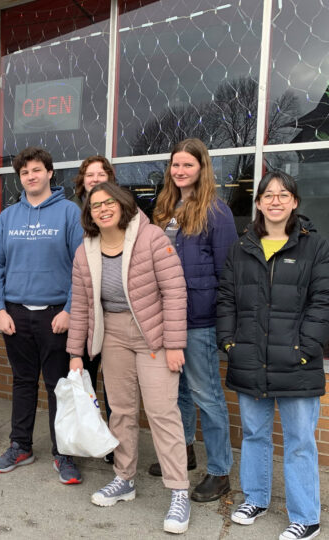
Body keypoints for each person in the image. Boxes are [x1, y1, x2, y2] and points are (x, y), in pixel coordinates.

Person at [67, 181, 190, 534]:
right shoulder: (84, 250)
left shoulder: (151, 238)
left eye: (109, 203)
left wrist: (175, 343)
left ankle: (178, 491)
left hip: (153, 333)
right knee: (120, 410)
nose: (103, 209)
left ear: (122, 205)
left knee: (162, 411)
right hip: (114, 335)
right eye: (95, 205)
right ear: (89, 214)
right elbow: (80, 306)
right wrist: (76, 352)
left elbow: (175, 291)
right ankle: (124, 479)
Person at [218, 172, 329, 540]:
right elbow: (227, 300)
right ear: (259, 202)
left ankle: (305, 516)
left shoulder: (315, 247)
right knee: (253, 434)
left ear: (295, 202)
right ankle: (256, 498)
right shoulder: (241, 247)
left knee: (299, 442)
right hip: (249, 357)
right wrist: (230, 343)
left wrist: (307, 348)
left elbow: (322, 303)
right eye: (268, 195)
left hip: (297, 361)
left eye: (283, 195)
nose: (276, 201)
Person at [0, 147, 84, 484]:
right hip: (15, 315)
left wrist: (70, 309)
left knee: (59, 387)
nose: (31, 176)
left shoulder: (70, 213)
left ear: (50, 173)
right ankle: (21, 445)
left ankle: (64, 453)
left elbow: (81, 268)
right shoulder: (8, 217)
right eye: (25, 172)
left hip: (56, 316)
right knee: (23, 382)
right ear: (21, 177)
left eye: (37, 170)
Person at [151, 138, 236, 502]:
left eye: (187, 165)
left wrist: (220, 319)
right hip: (166, 318)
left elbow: (228, 272)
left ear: (202, 167)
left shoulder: (216, 212)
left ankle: (219, 472)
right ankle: (183, 452)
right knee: (179, 394)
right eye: (175, 165)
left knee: (207, 396)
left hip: (199, 321)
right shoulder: (165, 207)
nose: (180, 171)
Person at [70, 155, 116, 463]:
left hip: (114, 315)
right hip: (85, 313)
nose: (95, 178)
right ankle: (87, 438)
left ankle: (114, 444)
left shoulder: (121, 212)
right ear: (82, 181)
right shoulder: (73, 215)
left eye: (101, 173)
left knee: (114, 385)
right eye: (90, 174)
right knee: (84, 379)